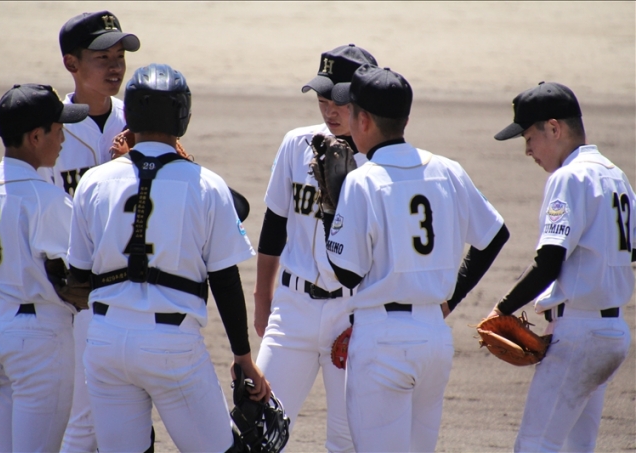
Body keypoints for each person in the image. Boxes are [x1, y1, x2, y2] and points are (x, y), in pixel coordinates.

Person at [67, 63, 270, 453]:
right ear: (182, 116)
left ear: (130, 115)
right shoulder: (207, 184)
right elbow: (225, 281)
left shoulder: (93, 181)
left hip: (106, 343)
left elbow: (78, 276)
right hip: (172, 347)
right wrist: (243, 357)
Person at [324, 64, 510, 452]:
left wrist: (331, 212)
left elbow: (348, 273)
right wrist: (450, 299)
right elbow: (495, 236)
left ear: (363, 120)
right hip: (434, 339)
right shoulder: (448, 170)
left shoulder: (363, 180)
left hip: (382, 341)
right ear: (405, 120)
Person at [487, 81, 634, 452]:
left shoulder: (569, 177)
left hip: (580, 336)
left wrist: (501, 309)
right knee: (575, 446)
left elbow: (548, 262)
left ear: (554, 128)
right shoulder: (615, 175)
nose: (527, 150)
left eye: (529, 138)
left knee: (535, 444)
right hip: (613, 333)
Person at [254, 44, 376, 452]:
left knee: (348, 439)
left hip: (353, 313)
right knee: (258, 427)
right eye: (323, 98)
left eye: (339, 100)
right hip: (293, 308)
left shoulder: (381, 162)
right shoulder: (297, 143)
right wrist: (262, 298)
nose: (329, 109)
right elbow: (274, 225)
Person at [42, 11, 141, 452]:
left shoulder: (138, 120)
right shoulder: (51, 129)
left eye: (120, 56)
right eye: (102, 57)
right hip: (72, 299)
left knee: (126, 419)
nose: (115, 66)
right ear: (72, 63)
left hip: (130, 290)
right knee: (80, 421)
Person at [0, 83, 89, 452]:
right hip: (39, 343)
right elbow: (85, 268)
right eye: (58, 129)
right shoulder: (45, 198)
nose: (63, 138)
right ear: (36, 137)